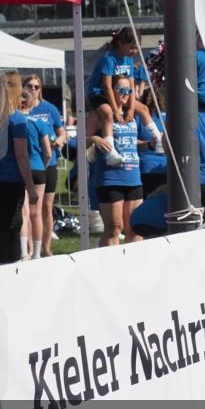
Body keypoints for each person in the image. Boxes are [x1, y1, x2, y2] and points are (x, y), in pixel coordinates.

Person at [0, 71, 38, 266]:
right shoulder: (17, 119)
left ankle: (4, 261)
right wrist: (31, 186)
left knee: (7, 221)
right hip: (12, 178)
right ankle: (6, 263)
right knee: (12, 223)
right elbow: (21, 155)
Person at [90, 75, 143, 246]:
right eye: (121, 90)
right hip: (110, 179)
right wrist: (95, 139)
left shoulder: (131, 114)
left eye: (129, 90)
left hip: (133, 177)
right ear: (111, 91)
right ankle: (107, 267)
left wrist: (150, 144)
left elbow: (132, 142)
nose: (125, 94)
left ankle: (133, 266)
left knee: (135, 227)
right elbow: (77, 140)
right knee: (114, 227)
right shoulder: (102, 114)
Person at [23, 74, 65, 258]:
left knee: (47, 208)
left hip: (50, 162)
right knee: (31, 208)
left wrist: (60, 141)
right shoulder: (22, 109)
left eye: (37, 86)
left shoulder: (49, 108)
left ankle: (46, 248)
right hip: (31, 163)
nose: (33, 89)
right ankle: (31, 248)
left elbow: (61, 132)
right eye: (30, 86)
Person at [85, 27, 139, 166]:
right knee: (108, 113)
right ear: (121, 43)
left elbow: (132, 86)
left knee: (143, 108)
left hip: (120, 93)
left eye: (137, 48)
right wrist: (116, 112)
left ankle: (157, 139)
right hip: (99, 93)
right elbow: (107, 87)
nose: (135, 52)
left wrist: (132, 108)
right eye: (132, 48)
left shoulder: (129, 61)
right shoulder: (109, 59)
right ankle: (110, 153)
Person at [20, 87, 52, 260]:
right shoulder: (39, 123)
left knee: (23, 213)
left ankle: (24, 252)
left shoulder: (15, 121)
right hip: (38, 167)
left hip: (20, 170)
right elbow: (48, 151)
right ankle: (37, 253)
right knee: (37, 213)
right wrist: (43, 165)